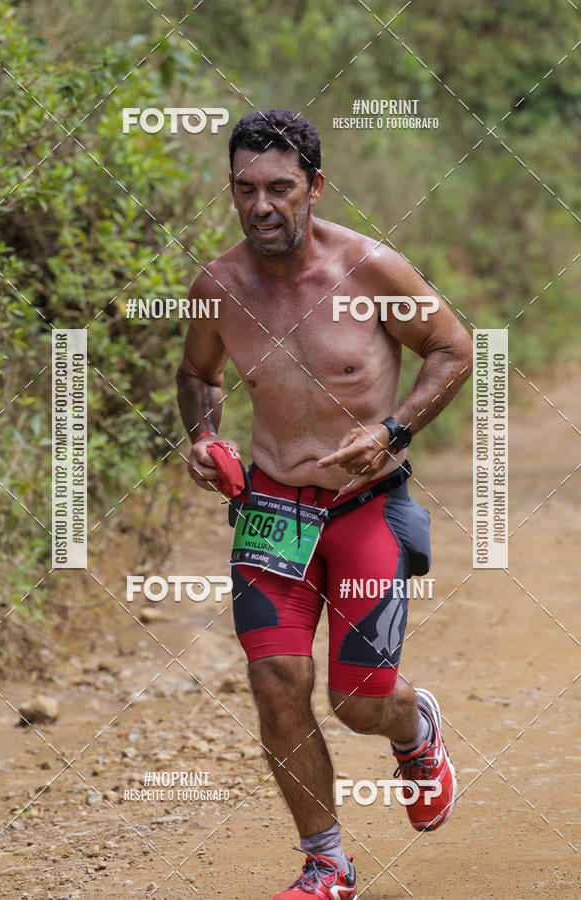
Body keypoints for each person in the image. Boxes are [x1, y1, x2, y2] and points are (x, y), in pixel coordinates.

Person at [177, 108, 473, 900]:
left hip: (366, 509)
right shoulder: (219, 286)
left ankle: (416, 730)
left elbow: (454, 347)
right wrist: (204, 438)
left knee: (358, 700)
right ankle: (326, 863)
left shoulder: (371, 268)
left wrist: (393, 427)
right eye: (245, 189)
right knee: (275, 682)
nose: (261, 206)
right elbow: (198, 375)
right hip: (272, 511)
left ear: (315, 185)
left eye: (279, 188)